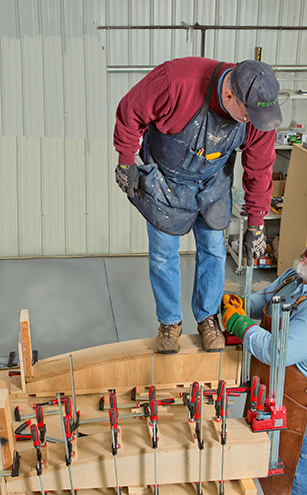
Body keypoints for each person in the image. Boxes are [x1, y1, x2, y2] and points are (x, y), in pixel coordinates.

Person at [113, 57, 282, 354]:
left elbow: (260, 169)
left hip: (212, 180)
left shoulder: (258, 113)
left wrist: (256, 224)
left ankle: (208, 318)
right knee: (164, 254)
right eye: (248, 114)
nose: (254, 123)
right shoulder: (177, 81)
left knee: (214, 250)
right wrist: (126, 162)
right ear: (229, 95)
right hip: (165, 179)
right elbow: (130, 111)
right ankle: (169, 322)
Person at [221, 226, 307, 495]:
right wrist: (239, 304)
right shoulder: (300, 276)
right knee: (262, 461)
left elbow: (277, 351)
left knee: (297, 481)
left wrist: (240, 325)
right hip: (282, 387)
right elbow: (265, 300)